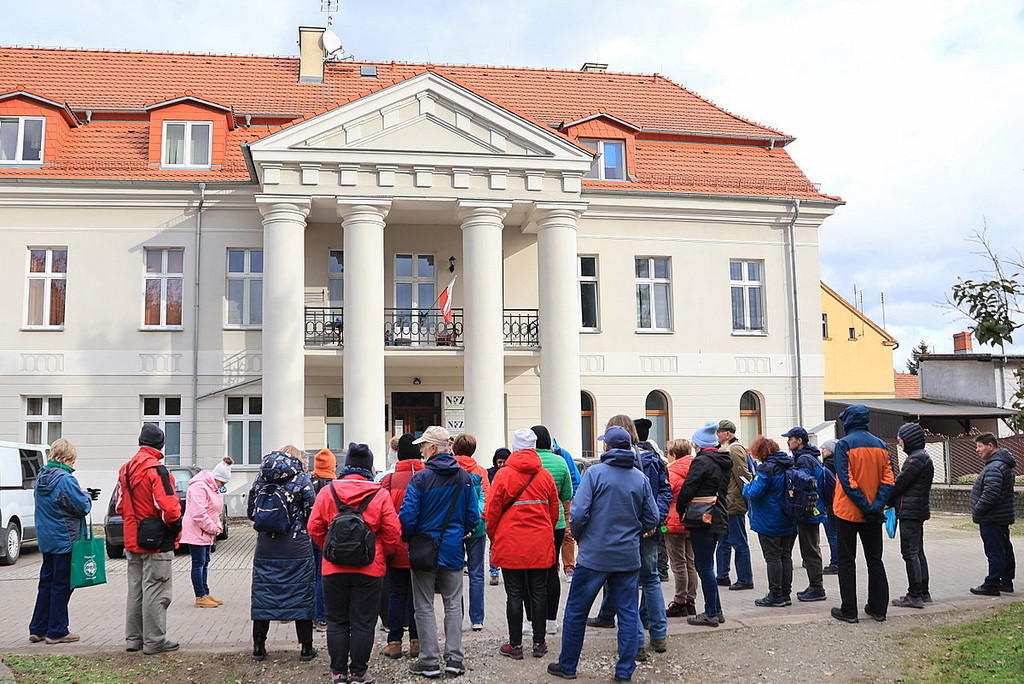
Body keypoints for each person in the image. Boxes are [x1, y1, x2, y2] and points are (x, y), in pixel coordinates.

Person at [547, 425, 658, 683]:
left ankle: (568, 665)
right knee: (627, 614)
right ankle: (624, 672)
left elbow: (578, 513)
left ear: (606, 446)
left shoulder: (595, 473)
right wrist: (635, 531)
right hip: (627, 556)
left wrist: (582, 536)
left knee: (576, 610)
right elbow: (652, 517)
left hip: (594, 555)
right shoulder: (639, 477)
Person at [308, 442, 402, 684]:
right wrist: (381, 553)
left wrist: (330, 549)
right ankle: (359, 672)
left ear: (347, 465)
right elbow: (393, 532)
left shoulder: (328, 491)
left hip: (333, 568)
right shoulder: (379, 494)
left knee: (337, 622)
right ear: (369, 467)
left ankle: (338, 672)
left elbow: (314, 527)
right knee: (363, 623)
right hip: (370, 569)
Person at [399, 426, 479, 678]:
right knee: (453, 604)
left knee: (423, 605)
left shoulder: (421, 479)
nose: (421, 450)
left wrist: (409, 538)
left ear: (433, 448)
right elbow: (473, 516)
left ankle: (429, 660)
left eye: (423, 445)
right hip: (453, 548)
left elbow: (407, 516)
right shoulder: (464, 477)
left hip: (424, 549)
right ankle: (454, 659)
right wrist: (460, 532)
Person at [488, 428, 559, 660]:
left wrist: (494, 536)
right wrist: (545, 531)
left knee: (514, 594)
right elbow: (554, 512)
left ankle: (515, 645)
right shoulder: (545, 476)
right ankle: (539, 643)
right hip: (539, 541)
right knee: (539, 592)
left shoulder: (503, 475)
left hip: (510, 541)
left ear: (515, 447)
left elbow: (492, 511)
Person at [247, 446, 318, 661]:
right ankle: (306, 648)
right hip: (297, 548)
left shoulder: (261, 480)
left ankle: (259, 646)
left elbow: (251, 513)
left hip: (266, 547)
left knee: (264, 595)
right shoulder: (301, 481)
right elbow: (312, 514)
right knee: (301, 595)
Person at [117, 424, 182, 654]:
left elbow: (120, 505)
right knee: (157, 589)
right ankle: (155, 641)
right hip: (156, 540)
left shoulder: (126, 469)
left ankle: (134, 639)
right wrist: (176, 527)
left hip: (132, 537)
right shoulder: (157, 470)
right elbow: (170, 507)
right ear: (161, 445)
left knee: (136, 590)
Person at [830, 405, 894, 624]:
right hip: (873, 515)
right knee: (875, 560)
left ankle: (849, 611)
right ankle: (878, 609)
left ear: (848, 421)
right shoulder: (882, 445)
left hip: (848, 512)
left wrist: (865, 506)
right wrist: (875, 506)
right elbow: (888, 479)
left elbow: (847, 481)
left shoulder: (844, 444)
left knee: (847, 562)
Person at [29, 438, 95, 645]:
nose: (73, 465)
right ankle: (57, 631)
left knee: (46, 584)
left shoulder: (41, 476)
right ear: (66, 459)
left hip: (47, 539)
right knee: (62, 586)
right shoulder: (66, 479)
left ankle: (38, 628)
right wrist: (86, 496)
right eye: (72, 461)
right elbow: (81, 508)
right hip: (65, 539)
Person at [675, 422, 731, 627]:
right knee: (708, 565)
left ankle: (710, 613)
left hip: (702, 518)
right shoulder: (723, 460)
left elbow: (688, 489)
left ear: (699, 444)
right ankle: (717, 610)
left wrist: (681, 509)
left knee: (704, 566)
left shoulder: (701, 462)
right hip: (718, 515)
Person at [380, 434, 425, 659]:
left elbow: (382, 515)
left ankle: (394, 642)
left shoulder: (387, 481)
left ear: (398, 455)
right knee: (419, 596)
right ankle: (417, 641)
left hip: (396, 546)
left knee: (396, 593)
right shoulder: (428, 477)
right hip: (422, 546)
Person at [530, 425, 574, 635]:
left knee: (530, 571)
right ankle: (551, 620)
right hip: (556, 524)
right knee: (551, 569)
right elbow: (567, 495)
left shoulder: (526, 462)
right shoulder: (560, 462)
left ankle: (531, 620)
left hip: (531, 523)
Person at [743, 437, 797, 607]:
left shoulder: (766, 469)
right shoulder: (789, 464)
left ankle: (775, 595)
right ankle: (786, 593)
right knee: (785, 556)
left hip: (769, 519)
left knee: (773, 558)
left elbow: (754, 493)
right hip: (789, 516)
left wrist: (746, 487)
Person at [889, 422, 934, 608]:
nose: (899, 443)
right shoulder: (923, 457)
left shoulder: (915, 460)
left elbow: (899, 485)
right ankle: (923, 592)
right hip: (917, 511)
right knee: (917, 552)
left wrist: (884, 498)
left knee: (910, 552)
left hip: (910, 512)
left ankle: (914, 595)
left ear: (908, 439)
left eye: (900, 439)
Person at [782, 427, 828, 602]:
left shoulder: (804, 460)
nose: (788, 441)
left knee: (810, 550)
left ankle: (817, 588)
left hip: (808, 511)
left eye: (791, 439)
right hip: (813, 509)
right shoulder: (811, 457)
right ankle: (814, 586)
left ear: (799, 441)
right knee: (811, 547)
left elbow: (805, 487)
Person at [969, 432, 1016, 596]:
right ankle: (1005, 581)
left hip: (992, 517)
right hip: (999, 516)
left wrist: (977, 509)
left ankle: (992, 584)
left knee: (995, 551)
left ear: (990, 446)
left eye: (980, 446)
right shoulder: (1001, 464)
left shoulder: (995, 467)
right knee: (1004, 549)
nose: (977, 450)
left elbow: (991, 494)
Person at [181, 456, 232, 608]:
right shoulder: (199, 487)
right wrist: (213, 528)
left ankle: (205, 592)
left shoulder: (211, 487)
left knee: (204, 563)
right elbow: (199, 513)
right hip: (198, 531)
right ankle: (200, 596)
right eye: (222, 483)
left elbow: (214, 511)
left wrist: (218, 525)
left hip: (206, 532)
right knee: (198, 563)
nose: (222, 486)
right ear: (216, 478)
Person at [452, 433, 489, 631]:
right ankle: (477, 619)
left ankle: (456, 616)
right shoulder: (480, 471)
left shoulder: (450, 470)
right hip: (477, 528)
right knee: (477, 574)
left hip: (454, 527)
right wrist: (475, 522)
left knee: (455, 573)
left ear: (454, 448)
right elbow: (485, 499)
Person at [715, 419, 754, 591]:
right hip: (726, 501)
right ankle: (722, 575)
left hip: (734, 501)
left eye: (719, 432)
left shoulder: (735, 449)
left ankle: (745, 579)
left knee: (738, 542)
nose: (717, 435)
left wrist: (747, 495)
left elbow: (742, 475)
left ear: (727, 433)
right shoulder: (727, 448)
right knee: (723, 541)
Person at [663, 439, 698, 617]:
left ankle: (679, 601)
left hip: (674, 522)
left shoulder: (671, 472)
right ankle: (691, 601)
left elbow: (665, 497)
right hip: (692, 520)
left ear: (674, 454)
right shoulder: (696, 469)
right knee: (690, 562)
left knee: (678, 564)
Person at [310, 448, 338, 631]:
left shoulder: (308, 483)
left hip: (310, 534)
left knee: (312, 576)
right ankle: (321, 617)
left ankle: (312, 615)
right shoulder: (334, 486)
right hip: (327, 536)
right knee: (323, 577)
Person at [551, 437, 581, 583]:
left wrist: (572, 495)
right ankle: (554, 568)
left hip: (565, 499)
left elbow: (575, 477)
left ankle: (569, 567)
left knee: (567, 534)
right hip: (550, 499)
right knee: (552, 534)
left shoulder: (563, 454)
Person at [487, 447, 511, 586]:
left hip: (507, 514)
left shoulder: (512, 474)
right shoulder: (489, 474)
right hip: (495, 512)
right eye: (499, 462)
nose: (501, 465)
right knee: (493, 544)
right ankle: (494, 571)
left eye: (504, 462)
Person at [819, 439, 840, 575]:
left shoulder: (827, 465)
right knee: (838, 533)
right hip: (839, 503)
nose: (822, 452)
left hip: (830, 504)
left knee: (832, 534)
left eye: (824, 449)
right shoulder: (840, 462)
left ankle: (835, 563)